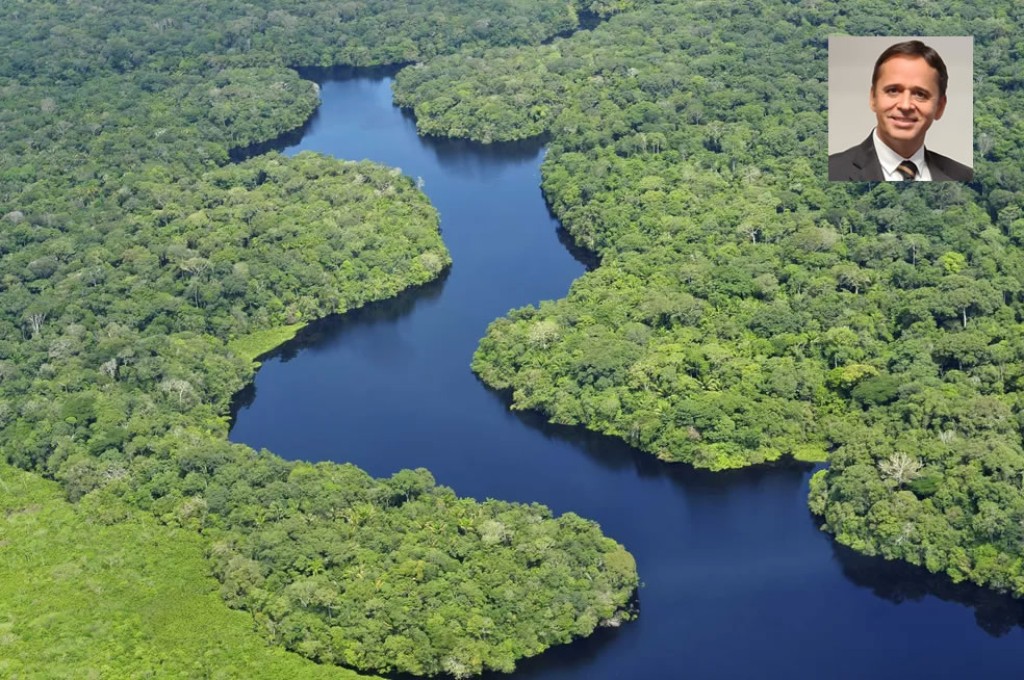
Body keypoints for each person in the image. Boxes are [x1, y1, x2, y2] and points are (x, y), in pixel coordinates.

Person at [829, 40, 973, 182]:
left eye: (920, 94)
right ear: (873, 98)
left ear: (940, 107)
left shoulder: (964, 177)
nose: (905, 105)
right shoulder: (832, 170)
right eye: (893, 91)